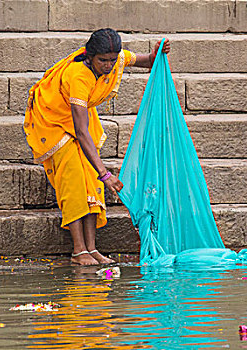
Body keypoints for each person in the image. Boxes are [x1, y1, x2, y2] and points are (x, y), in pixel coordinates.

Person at [24, 28, 170, 265]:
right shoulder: (78, 76)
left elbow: (148, 61)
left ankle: (92, 249)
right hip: (52, 120)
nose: (109, 66)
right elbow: (81, 131)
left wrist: (158, 52)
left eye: (113, 60)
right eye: (103, 60)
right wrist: (106, 174)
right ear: (90, 56)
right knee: (73, 179)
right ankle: (78, 250)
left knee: (92, 181)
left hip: (78, 118)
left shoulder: (116, 58)